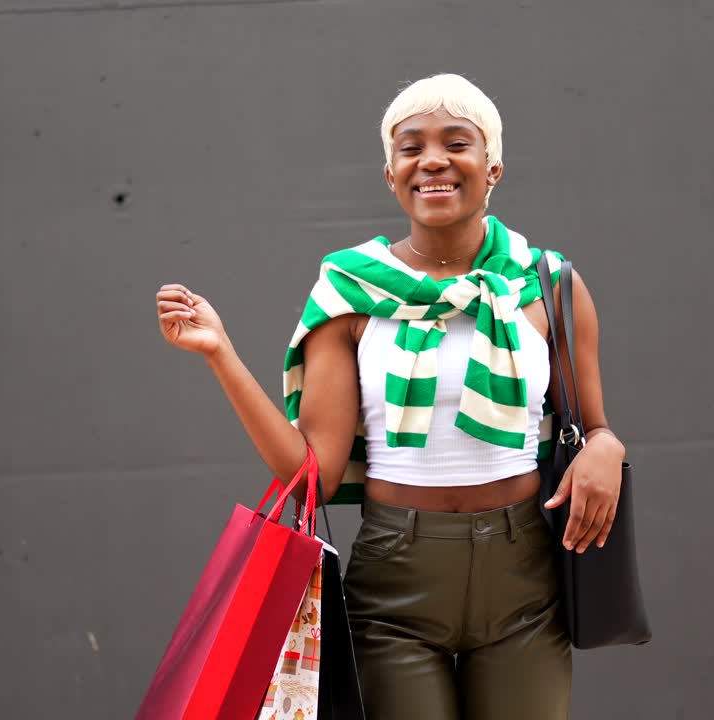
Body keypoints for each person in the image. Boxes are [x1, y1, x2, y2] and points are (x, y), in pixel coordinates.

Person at [156, 73, 626, 719]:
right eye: (411, 147)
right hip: (396, 579)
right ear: (390, 174)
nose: (432, 159)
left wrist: (606, 444)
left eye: (456, 142)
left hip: (526, 577)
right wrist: (220, 355)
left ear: (492, 168)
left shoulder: (548, 285)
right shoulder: (350, 292)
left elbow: (591, 428)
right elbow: (309, 480)